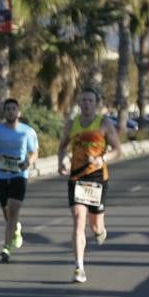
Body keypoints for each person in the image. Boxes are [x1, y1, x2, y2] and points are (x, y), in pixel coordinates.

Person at [57, 87, 122, 283]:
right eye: (83, 100)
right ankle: (79, 267)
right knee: (78, 219)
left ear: (96, 104)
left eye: (90, 101)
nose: (86, 104)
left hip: (97, 178)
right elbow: (62, 147)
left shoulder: (104, 124)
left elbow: (118, 149)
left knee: (95, 226)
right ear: (79, 103)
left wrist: (103, 159)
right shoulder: (72, 124)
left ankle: (100, 230)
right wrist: (61, 162)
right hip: (76, 177)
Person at [0, 98, 39, 263]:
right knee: (7, 211)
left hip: (19, 175)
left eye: (14, 109)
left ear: (19, 112)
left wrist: (28, 162)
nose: (11, 112)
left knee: (13, 209)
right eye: (8, 109)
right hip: (1, 175)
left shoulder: (27, 131)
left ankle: (6, 248)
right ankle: (15, 229)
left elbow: (34, 152)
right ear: (4, 112)